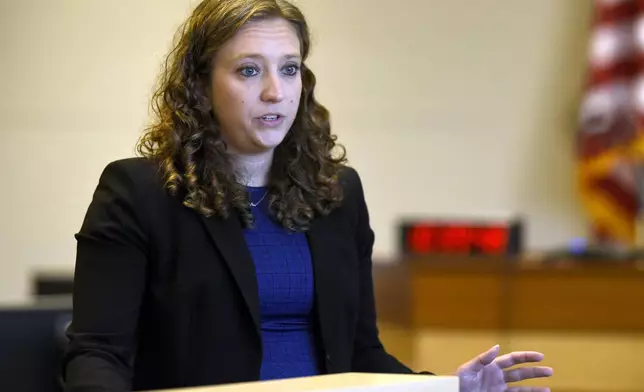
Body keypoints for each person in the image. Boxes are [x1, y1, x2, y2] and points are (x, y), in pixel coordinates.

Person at [62, 0, 553, 391]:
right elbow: (97, 355)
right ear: (200, 85)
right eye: (249, 71)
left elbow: (362, 355)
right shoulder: (139, 194)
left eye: (290, 68)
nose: (276, 91)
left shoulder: (338, 193)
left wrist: (450, 389)